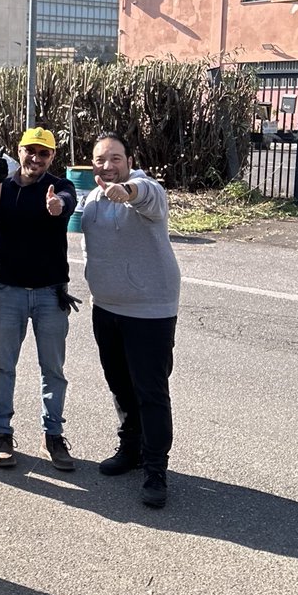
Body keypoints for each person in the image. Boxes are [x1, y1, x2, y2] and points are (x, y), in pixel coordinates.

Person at [81, 132, 181, 508]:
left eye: (115, 158)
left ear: (129, 160)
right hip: (105, 307)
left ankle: (156, 468)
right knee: (120, 384)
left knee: (150, 391)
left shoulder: (146, 190)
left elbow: (145, 194)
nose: (108, 166)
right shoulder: (91, 197)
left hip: (149, 310)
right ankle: (131, 448)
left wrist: (129, 192)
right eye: (100, 160)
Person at [0, 126, 79, 471]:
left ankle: (53, 435)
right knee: (3, 366)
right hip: (8, 291)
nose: (35, 158)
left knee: (53, 369)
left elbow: (66, 204)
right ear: (18, 150)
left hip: (51, 293)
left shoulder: (61, 186)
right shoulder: (2, 189)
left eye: (44, 153)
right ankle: (2, 435)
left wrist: (57, 206)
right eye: (30, 151)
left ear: (52, 156)